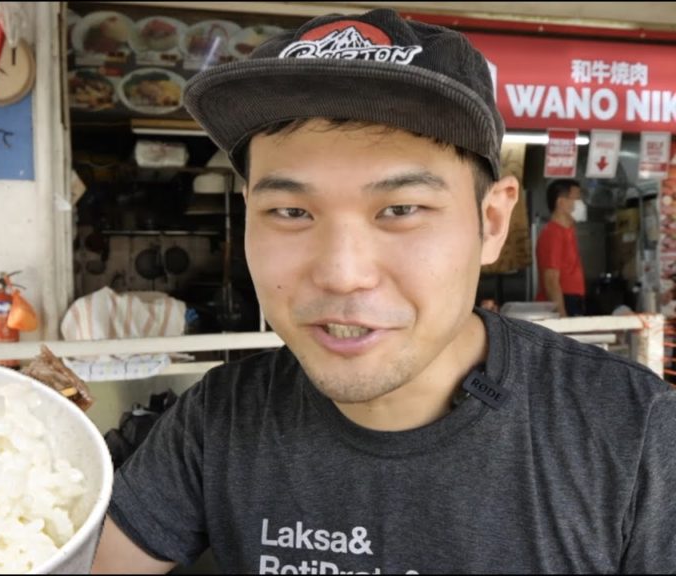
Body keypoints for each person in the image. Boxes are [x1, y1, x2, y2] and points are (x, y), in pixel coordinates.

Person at [91, 9, 676, 574]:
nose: (342, 274)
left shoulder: (636, 439)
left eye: (401, 209)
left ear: (491, 223)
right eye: (290, 211)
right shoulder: (220, 420)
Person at [536, 179, 587, 317]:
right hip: (563, 302)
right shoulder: (552, 234)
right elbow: (551, 280)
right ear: (561, 202)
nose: (581, 204)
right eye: (576, 199)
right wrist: (562, 317)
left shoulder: (569, 231)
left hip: (574, 300)